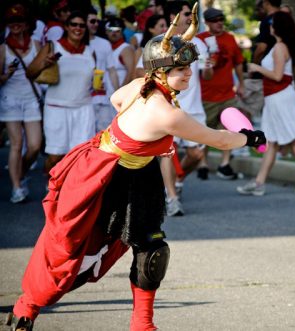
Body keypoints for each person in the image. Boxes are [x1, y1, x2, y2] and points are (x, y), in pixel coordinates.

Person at [7, 14, 266, 331]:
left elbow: (117, 100)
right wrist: (253, 138)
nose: (188, 75)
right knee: (78, 253)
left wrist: (134, 137)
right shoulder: (165, 113)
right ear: (161, 71)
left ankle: (142, 324)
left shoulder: (140, 85)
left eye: (188, 68)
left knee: (152, 248)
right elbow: (219, 139)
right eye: (180, 70)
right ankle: (28, 306)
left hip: (136, 173)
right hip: (105, 176)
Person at [238, 12, 295, 196]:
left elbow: (277, 76)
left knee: (293, 139)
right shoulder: (280, 46)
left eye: (272, 23)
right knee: (273, 141)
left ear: (277, 27)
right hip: (276, 98)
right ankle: (259, 182)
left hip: (280, 97)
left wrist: (256, 67)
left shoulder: (279, 48)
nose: (269, 26)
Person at [160, 1, 213, 217]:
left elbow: (206, 76)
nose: (191, 17)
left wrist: (208, 69)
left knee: (197, 154)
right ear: (174, 16)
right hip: (168, 108)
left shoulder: (199, 44)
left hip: (194, 109)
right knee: (166, 153)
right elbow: (140, 72)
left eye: (193, 14)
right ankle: (171, 197)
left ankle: (178, 180)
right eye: (186, 14)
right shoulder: (160, 44)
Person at [27, 11, 96, 175]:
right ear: (66, 27)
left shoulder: (89, 51)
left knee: (81, 155)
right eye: (74, 24)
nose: (78, 28)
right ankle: (51, 190)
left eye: (81, 25)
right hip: (56, 107)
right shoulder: (53, 46)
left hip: (83, 108)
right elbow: (30, 73)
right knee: (55, 156)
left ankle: (71, 194)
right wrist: (45, 62)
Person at [0, 2, 42, 203]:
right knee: (16, 144)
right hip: (10, 99)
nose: (15, 25)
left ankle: (21, 172)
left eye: (19, 21)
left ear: (26, 24)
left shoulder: (36, 44)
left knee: (34, 145)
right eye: (12, 21)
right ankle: (16, 187)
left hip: (31, 98)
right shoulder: (3, 48)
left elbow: (43, 72)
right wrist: (5, 75)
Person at [198, 7, 245, 180]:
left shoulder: (230, 39)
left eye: (221, 19)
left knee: (229, 128)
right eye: (215, 20)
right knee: (205, 131)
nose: (219, 22)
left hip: (227, 94)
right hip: (206, 95)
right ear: (207, 22)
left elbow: (238, 62)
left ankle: (225, 164)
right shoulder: (199, 40)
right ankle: (202, 162)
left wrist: (241, 83)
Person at [87, 7, 120, 132]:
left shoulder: (104, 43)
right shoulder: (79, 44)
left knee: (104, 133)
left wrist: (117, 94)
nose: (95, 24)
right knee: (86, 134)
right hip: (83, 99)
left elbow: (112, 70)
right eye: (92, 21)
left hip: (102, 97)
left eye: (97, 21)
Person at [105, 17, 135, 90]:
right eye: (111, 30)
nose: (114, 33)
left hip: (119, 95)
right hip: (106, 96)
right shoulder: (106, 48)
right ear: (106, 32)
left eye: (117, 30)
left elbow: (131, 72)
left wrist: (121, 92)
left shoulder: (126, 49)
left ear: (122, 32)